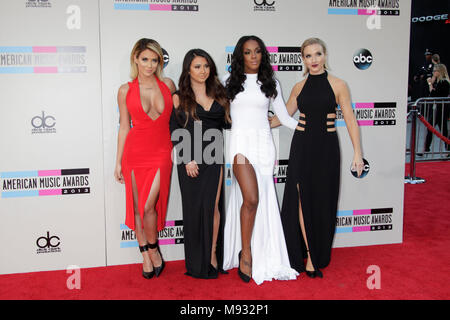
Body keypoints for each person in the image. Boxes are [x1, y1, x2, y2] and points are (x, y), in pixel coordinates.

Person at [273, 37, 363, 278]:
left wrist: (358, 153)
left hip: (326, 149)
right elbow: (281, 117)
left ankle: (316, 253)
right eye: (308, 55)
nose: (313, 60)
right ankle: (310, 256)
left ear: (325, 56)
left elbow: (351, 120)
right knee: (301, 199)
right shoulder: (298, 88)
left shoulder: (339, 85)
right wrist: (250, 119)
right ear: (303, 59)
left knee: (322, 200)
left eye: (317, 54)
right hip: (301, 147)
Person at [222, 35, 299, 285]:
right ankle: (246, 252)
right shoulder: (228, 82)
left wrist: (311, 129)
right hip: (240, 145)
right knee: (251, 198)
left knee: (260, 198)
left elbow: (285, 118)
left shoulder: (271, 82)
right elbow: (218, 114)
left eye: (257, 51)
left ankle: (260, 250)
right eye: (247, 52)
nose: (253, 56)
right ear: (239, 56)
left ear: (262, 54)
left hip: (264, 145)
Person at [114, 38, 176, 279]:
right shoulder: (124, 90)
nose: (150, 65)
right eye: (145, 60)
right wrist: (118, 161)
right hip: (134, 152)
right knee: (139, 209)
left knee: (149, 206)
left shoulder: (168, 85)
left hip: (161, 151)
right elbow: (123, 127)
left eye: (154, 60)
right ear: (135, 59)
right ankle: (146, 255)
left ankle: (153, 249)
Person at [170, 49, 231, 279]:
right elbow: (175, 129)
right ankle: (196, 261)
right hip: (190, 159)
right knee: (195, 210)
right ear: (188, 69)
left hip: (214, 156)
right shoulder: (179, 97)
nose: (203, 71)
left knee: (212, 207)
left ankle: (213, 254)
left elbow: (228, 123)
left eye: (206, 66)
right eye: (197, 66)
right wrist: (187, 159)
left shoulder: (219, 92)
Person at [424, 63, 450, 153]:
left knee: (443, 130)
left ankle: (448, 148)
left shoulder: (444, 82)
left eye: (435, 71)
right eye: (433, 71)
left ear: (440, 71)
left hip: (441, 109)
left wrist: (430, 83)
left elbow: (433, 94)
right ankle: (426, 148)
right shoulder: (439, 82)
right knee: (431, 128)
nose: (434, 72)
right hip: (437, 108)